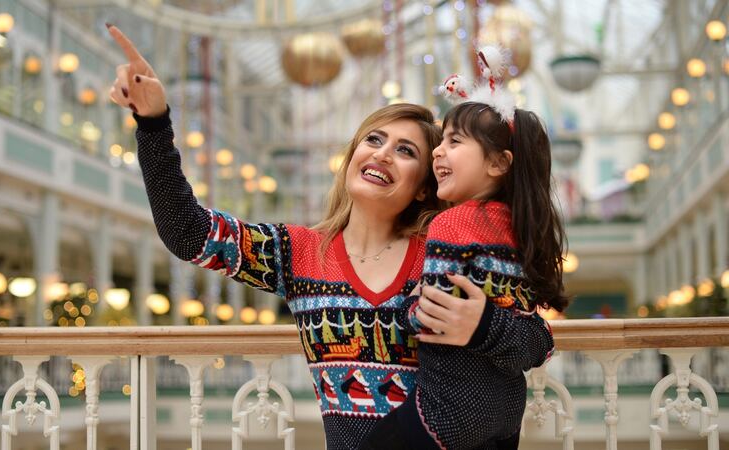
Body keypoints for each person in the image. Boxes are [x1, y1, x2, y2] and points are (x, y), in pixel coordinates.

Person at [106, 25, 555, 450]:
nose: (382, 153)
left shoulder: (444, 250)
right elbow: (188, 233)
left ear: (424, 183)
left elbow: (537, 340)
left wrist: (484, 326)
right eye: (373, 139)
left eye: (405, 150)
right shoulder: (299, 252)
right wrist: (153, 123)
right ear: (353, 156)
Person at [359, 48, 568, 450]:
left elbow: (430, 320)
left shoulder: (453, 222)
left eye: (454, 142)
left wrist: (408, 306)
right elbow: (531, 327)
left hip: (449, 410)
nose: (438, 151)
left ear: (498, 163)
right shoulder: (522, 229)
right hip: (507, 413)